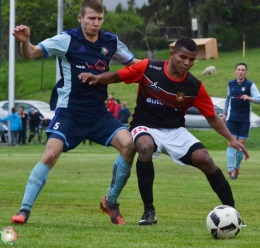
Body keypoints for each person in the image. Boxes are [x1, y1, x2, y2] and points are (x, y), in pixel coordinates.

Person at [79, 37, 249, 226]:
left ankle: (233, 212)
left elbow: (211, 116)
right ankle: (149, 210)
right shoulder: (148, 68)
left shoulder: (194, 86)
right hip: (144, 125)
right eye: (183, 57)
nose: (187, 63)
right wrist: (96, 78)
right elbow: (117, 76)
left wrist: (231, 139)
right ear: (172, 54)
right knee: (145, 147)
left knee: (205, 159)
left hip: (175, 130)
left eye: (191, 60)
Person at [11, 0, 139, 225]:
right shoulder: (66, 40)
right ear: (81, 18)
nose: (96, 23)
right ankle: (24, 210)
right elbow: (30, 53)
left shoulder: (111, 42)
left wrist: (161, 68)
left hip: (99, 114)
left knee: (129, 145)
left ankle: (110, 201)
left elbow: (136, 65)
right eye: (91, 18)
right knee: (50, 154)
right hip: (70, 113)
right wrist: (25, 41)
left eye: (100, 19)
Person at [222, 63, 260, 179]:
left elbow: (259, 99)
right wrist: (224, 113)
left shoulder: (250, 85)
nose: (240, 72)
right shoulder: (231, 84)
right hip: (232, 118)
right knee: (231, 143)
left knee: (240, 145)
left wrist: (250, 98)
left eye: (243, 70)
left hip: (244, 119)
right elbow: (228, 98)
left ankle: (236, 168)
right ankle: (229, 170)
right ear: (235, 71)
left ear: (246, 72)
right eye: (239, 69)